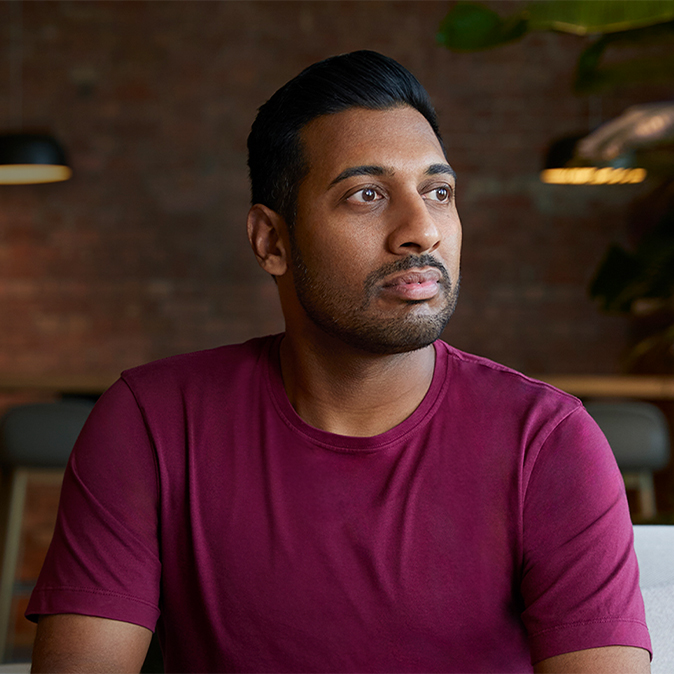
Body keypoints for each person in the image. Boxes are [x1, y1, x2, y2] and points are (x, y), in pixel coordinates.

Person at [27, 51, 651, 673]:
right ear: (272, 241)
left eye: (438, 192)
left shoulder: (548, 443)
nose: (422, 231)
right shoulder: (152, 423)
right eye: (366, 194)